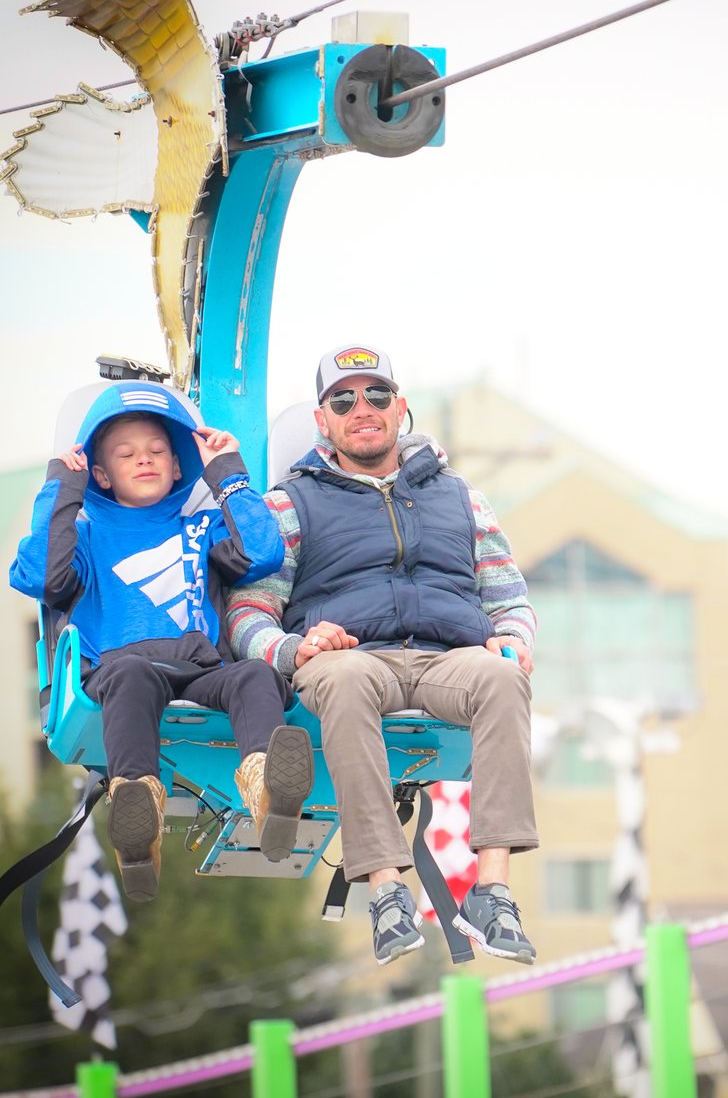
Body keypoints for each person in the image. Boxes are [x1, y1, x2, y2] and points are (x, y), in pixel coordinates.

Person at [226, 344, 539, 965]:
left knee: (503, 679)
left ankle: (493, 890)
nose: (360, 408)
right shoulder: (290, 504)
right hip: (351, 657)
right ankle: (386, 890)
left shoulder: (460, 498)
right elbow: (246, 612)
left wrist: (513, 637)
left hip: (447, 656)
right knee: (340, 679)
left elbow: (509, 594)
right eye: (342, 399)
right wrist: (294, 648)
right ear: (322, 420)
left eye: (374, 395)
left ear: (400, 409)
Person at [10, 382, 314, 901]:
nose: (144, 461)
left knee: (255, 676)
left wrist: (227, 473)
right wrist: (62, 489)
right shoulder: (83, 536)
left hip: (202, 666)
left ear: (177, 466)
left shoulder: (202, 526)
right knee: (129, 678)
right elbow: (40, 577)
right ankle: (137, 810)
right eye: (127, 455)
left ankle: (268, 790)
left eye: (157, 452)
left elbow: (263, 553)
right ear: (101, 473)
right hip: (121, 667)